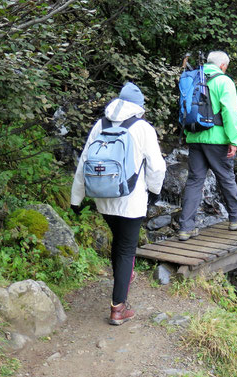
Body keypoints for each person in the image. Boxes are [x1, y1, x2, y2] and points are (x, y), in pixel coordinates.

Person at [70, 82, 166, 325]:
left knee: (119, 242)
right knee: (126, 249)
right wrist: (154, 192)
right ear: (138, 108)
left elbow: (84, 162)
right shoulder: (143, 127)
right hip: (130, 198)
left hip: (103, 197)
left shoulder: (99, 125)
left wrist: (76, 198)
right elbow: (157, 166)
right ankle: (118, 308)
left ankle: (122, 279)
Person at [178, 51, 237, 241]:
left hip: (195, 137)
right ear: (222, 65)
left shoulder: (194, 77)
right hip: (217, 138)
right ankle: (236, 217)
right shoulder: (223, 81)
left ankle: (186, 227)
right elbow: (229, 112)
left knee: (194, 181)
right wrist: (233, 140)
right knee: (226, 177)